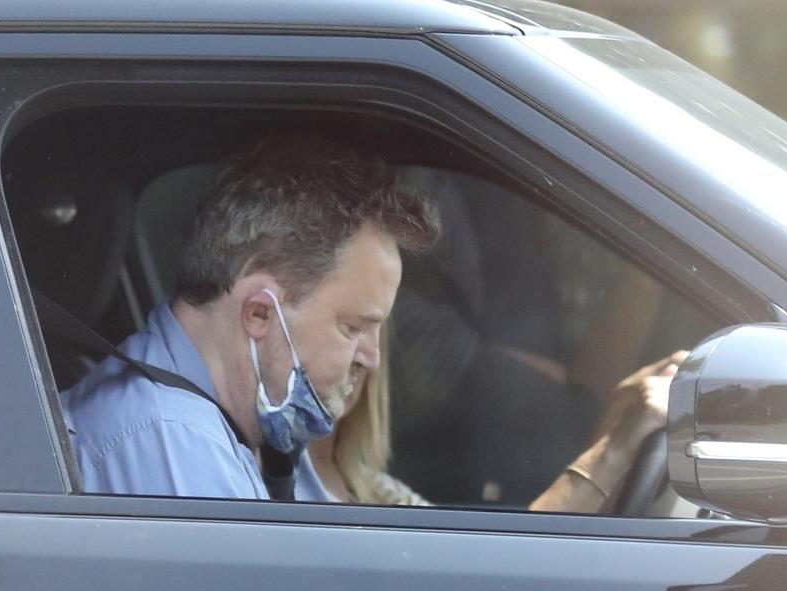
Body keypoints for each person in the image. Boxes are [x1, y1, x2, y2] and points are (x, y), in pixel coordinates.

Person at [61, 136, 441, 499]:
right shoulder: (176, 448)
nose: (373, 358)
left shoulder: (240, 433)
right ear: (259, 313)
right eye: (353, 328)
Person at [308, 328, 687, 512]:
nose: (371, 356)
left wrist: (618, 422)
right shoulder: (287, 490)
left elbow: (480, 567)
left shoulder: (371, 488)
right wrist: (614, 448)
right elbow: (478, 587)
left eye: (376, 327)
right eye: (350, 325)